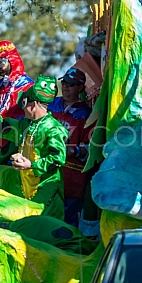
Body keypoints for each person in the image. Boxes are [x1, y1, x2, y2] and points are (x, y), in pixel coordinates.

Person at [0, 75, 69, 219]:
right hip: (24, 190)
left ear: (33, 105)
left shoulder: (53, 129)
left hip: (47, 196)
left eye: (24, 103)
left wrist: (31, 164)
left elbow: (57, 159)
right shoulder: (24, 125)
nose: (22, 108)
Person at [48, 68, 92, 225]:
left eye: (71, 84)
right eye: (64, 83)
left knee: (68, 225)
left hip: (72, 179)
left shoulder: (85, 114)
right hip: (47, 175)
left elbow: (91, 148)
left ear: (80, 87)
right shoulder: (51, 106)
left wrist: (72, 151)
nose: (66, 87)